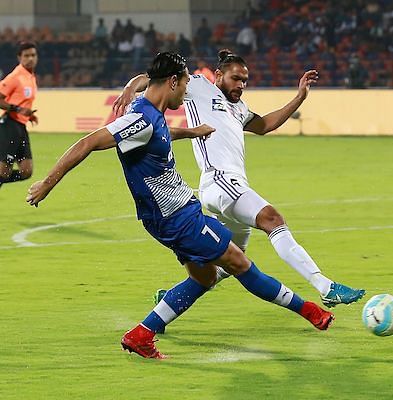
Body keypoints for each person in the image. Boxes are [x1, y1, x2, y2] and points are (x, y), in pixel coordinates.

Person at [26, 52, 334, 359]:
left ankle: (142, 334)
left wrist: (191, 132)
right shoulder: (141, 118)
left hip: (167, 215)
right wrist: (46, 184)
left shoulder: (151, 115)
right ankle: (311, 312)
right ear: (172, 81)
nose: (187, 89)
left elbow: (159, 133)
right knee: (239, 264)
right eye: (185, 82)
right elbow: (88, 143)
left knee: (204, 278)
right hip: (178, 217)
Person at [113, 50, 365, 317]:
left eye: (245, 81)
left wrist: (299, 97)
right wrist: (130, 88)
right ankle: (324, 285)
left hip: (230, 185)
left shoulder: (240, 109)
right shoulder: (198, 87)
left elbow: (266, 124)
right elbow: (152, 78)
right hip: (220, 180)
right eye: (236, 79)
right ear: (219, 75)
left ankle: (172, 298)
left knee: (229, 261)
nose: (241, 85)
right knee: (272, 219)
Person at [0, 41, 39, 189]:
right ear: (19, 57)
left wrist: (28, 115)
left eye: (33, 55)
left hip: (21, 127)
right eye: (26, 55)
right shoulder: (16, 76)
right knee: (3, 172)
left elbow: (23, 101)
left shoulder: (30, 76)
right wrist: (18, 110)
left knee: (26, 171)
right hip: (9, 126)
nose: (30, 58)